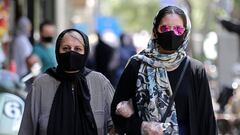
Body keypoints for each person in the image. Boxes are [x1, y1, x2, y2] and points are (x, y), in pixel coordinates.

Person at [111, 6, 217, 135]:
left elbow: (207, 120)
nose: (171, 33)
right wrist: (142, 127)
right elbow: (116, 113)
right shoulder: (137, 65)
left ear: (185, 33)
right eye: (165, 28)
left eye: (178, 29)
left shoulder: (195, 69)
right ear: (155, 30)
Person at [19, 29, 114, 135]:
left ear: (85, 52)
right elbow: (26, 129)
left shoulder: (100, 83)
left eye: (77, 49)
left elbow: (116, 124)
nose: (71, 53)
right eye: (65, 48)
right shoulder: (40, 85)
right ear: (57, 51)